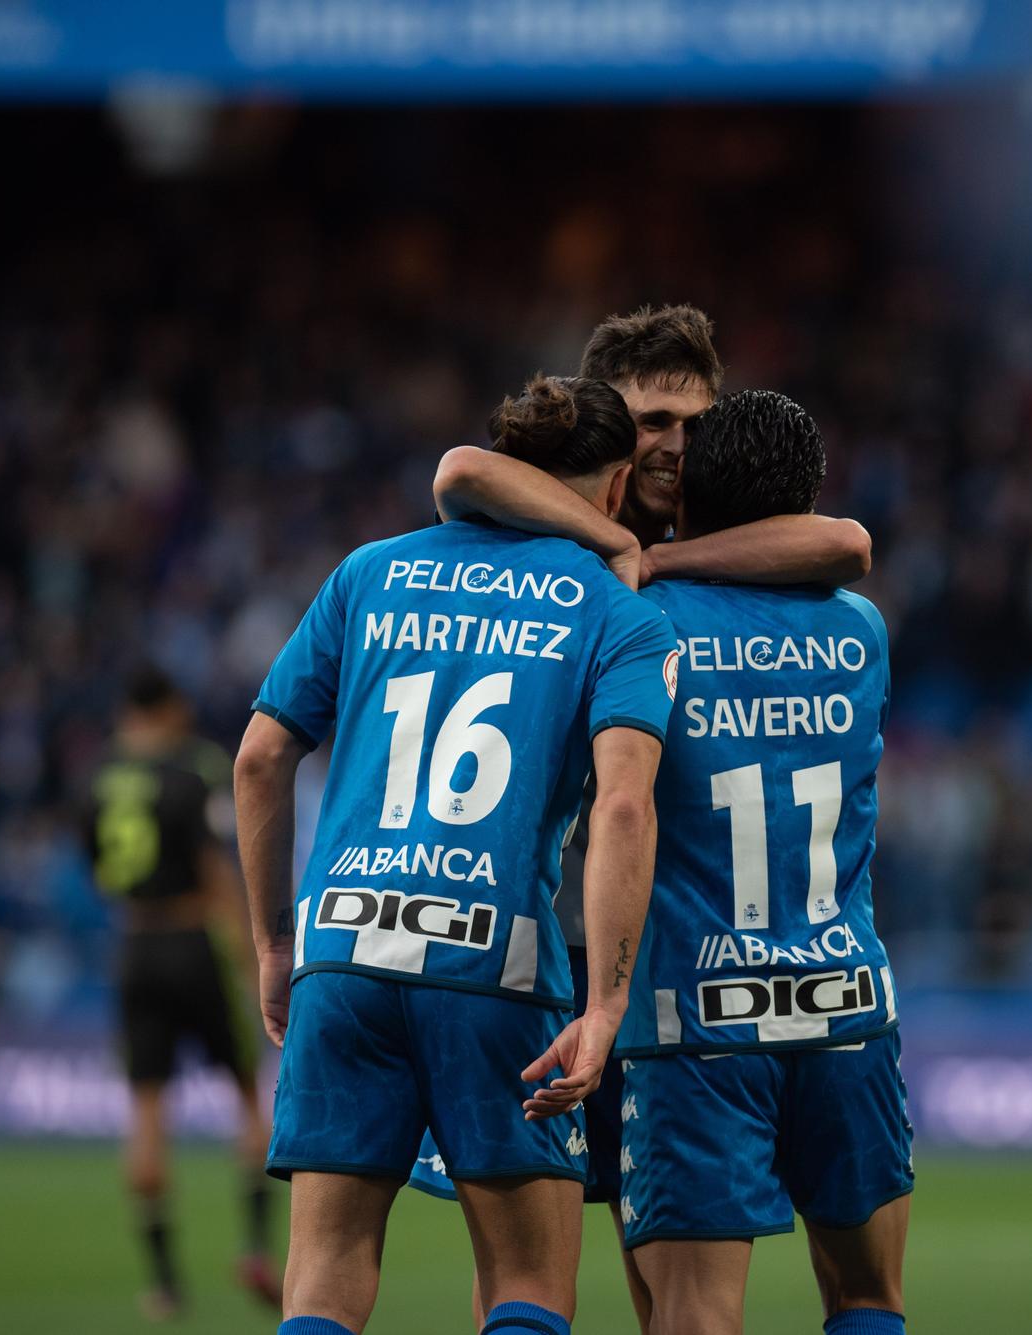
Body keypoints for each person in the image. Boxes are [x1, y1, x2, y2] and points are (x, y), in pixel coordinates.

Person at [415, 304, 874, 1330]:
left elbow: (846, 541)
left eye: (691, 422)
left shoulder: (714, 549)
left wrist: (655, 562)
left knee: (664, 1292)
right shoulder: (552, 519)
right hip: (565, 956)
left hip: (691, 977)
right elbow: (458, 473)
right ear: (601, 424)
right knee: (533, 1279)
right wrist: (610, 535)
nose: (673, 445)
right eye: (650, 420)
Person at [233, 375, 679, 1335]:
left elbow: (262, 756)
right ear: (612, 489)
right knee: (526, 1283)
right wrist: (604, 1005)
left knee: (323, 1285)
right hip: (495, 963)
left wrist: (276, 944)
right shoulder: (618, 614)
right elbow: (626, 810)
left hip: (344, 951)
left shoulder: (369, 571)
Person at [619, 391, 910, 1335]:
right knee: (869, 1299)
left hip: (698, 1014)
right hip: (845, 1000)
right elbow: (836, 549)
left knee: (697, 1312)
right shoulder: (861, 632)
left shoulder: (645, 618)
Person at [85, 665, 281, 1319]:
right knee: (249, 1093)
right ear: (167, 707)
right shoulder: (192, 767)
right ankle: (256, 1248)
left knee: (145, 1113)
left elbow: (97, 871)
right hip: (194, 937)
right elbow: (215, 864)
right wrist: (254, 952)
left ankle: (164, 1284)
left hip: (135, 941)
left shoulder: (98, 775)